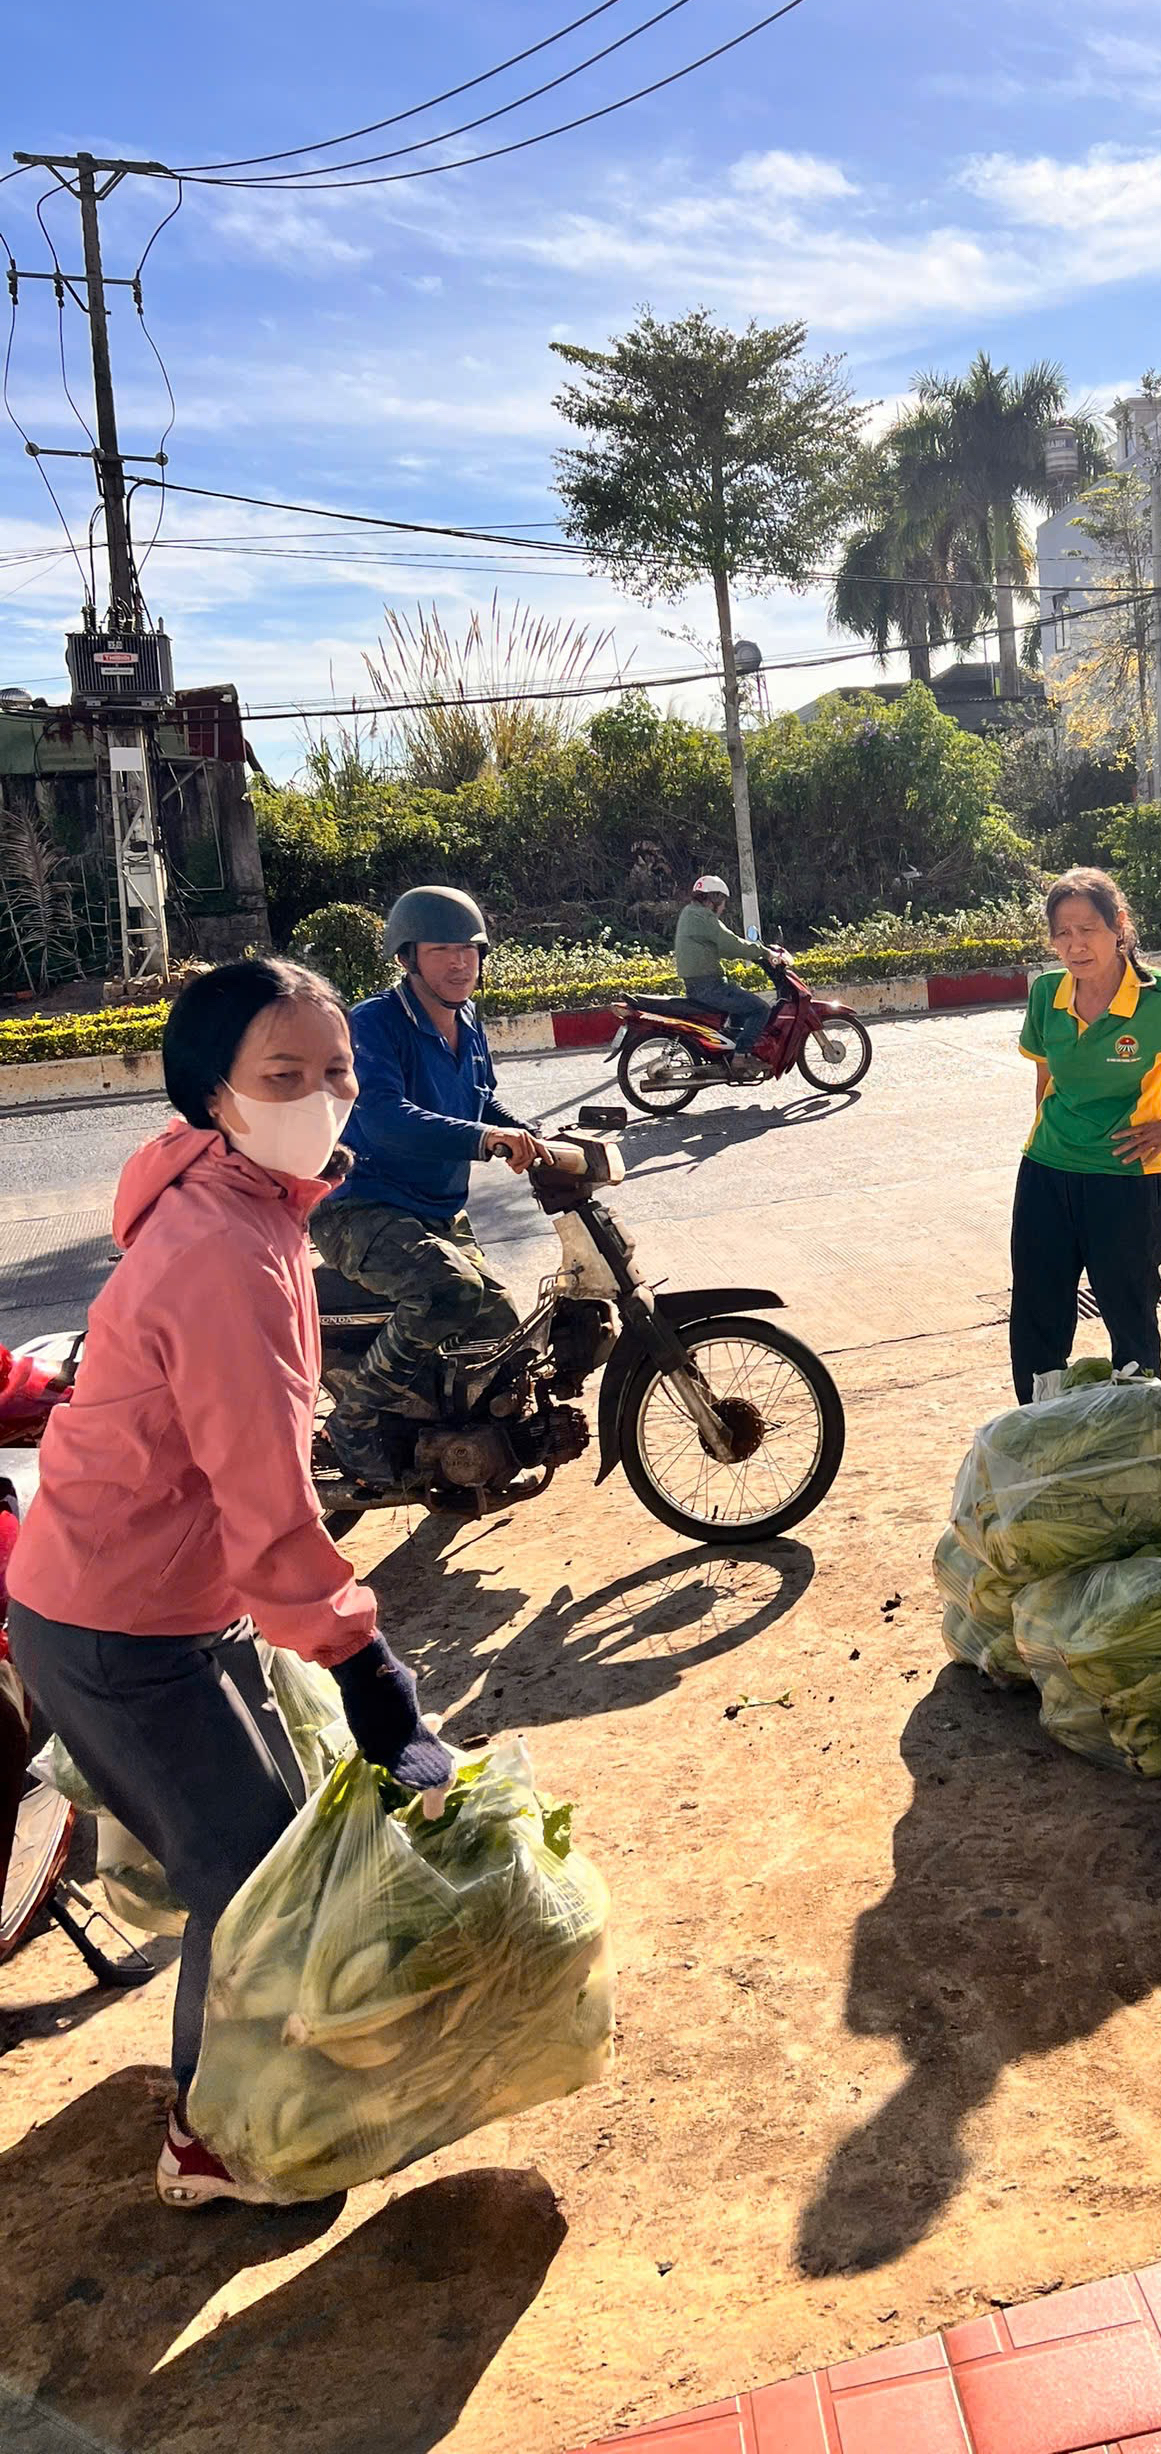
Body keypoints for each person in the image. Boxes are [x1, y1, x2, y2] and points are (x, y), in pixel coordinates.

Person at [4, 958, 453, 2203]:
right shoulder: (226, 1250)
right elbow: (267, 1495)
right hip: (114, 1621)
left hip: (155, 1598)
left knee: (274, 1836)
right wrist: (362, 1656)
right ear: (213, 1093)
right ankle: (211, 2136)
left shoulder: (250, 1198)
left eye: (334, 1073)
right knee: (251, 1872)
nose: (319, 1097)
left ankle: (255, 2071)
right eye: (281, 1077)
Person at [311, 887, 545, 1486]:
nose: (459, 962)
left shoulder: (467, 1022)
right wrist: (483, 1139)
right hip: (363, 1208)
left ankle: (454, 1452)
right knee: (448, 1292)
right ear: (408, 957)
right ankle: (354, 1420)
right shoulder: (373, 1024)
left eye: (468, 950)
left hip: (438, 1212)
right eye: (441, 950)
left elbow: (481, 1099)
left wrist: (532, 1136)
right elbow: (386, 1117)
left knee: (503, 1337)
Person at [1010, 868, 1161, 1401]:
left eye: (1087, 929)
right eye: (1062, 933)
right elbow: (1045, 1079)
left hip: (1126, 1183)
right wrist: (1051, 1145)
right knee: (1036, 1317)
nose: (1074, 945)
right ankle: (1038, 1428)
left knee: (1130, 1316)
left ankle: (1139, 1436)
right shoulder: (1047, 993)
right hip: (1046, 1174)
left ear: (1119, 927)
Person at [674, 873, 774, 1060]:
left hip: (700, 985)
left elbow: (724, 949)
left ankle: (728, 1049)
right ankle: (741, 1055)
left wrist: (751, 952)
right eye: (723, 901)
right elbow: (731, 944)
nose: (724, 907)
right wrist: (765, 952)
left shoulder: (689, 913)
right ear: (714, 898)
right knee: (760, 1009)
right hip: (709, 987)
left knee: (739, 1000)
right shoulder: (703, 917)